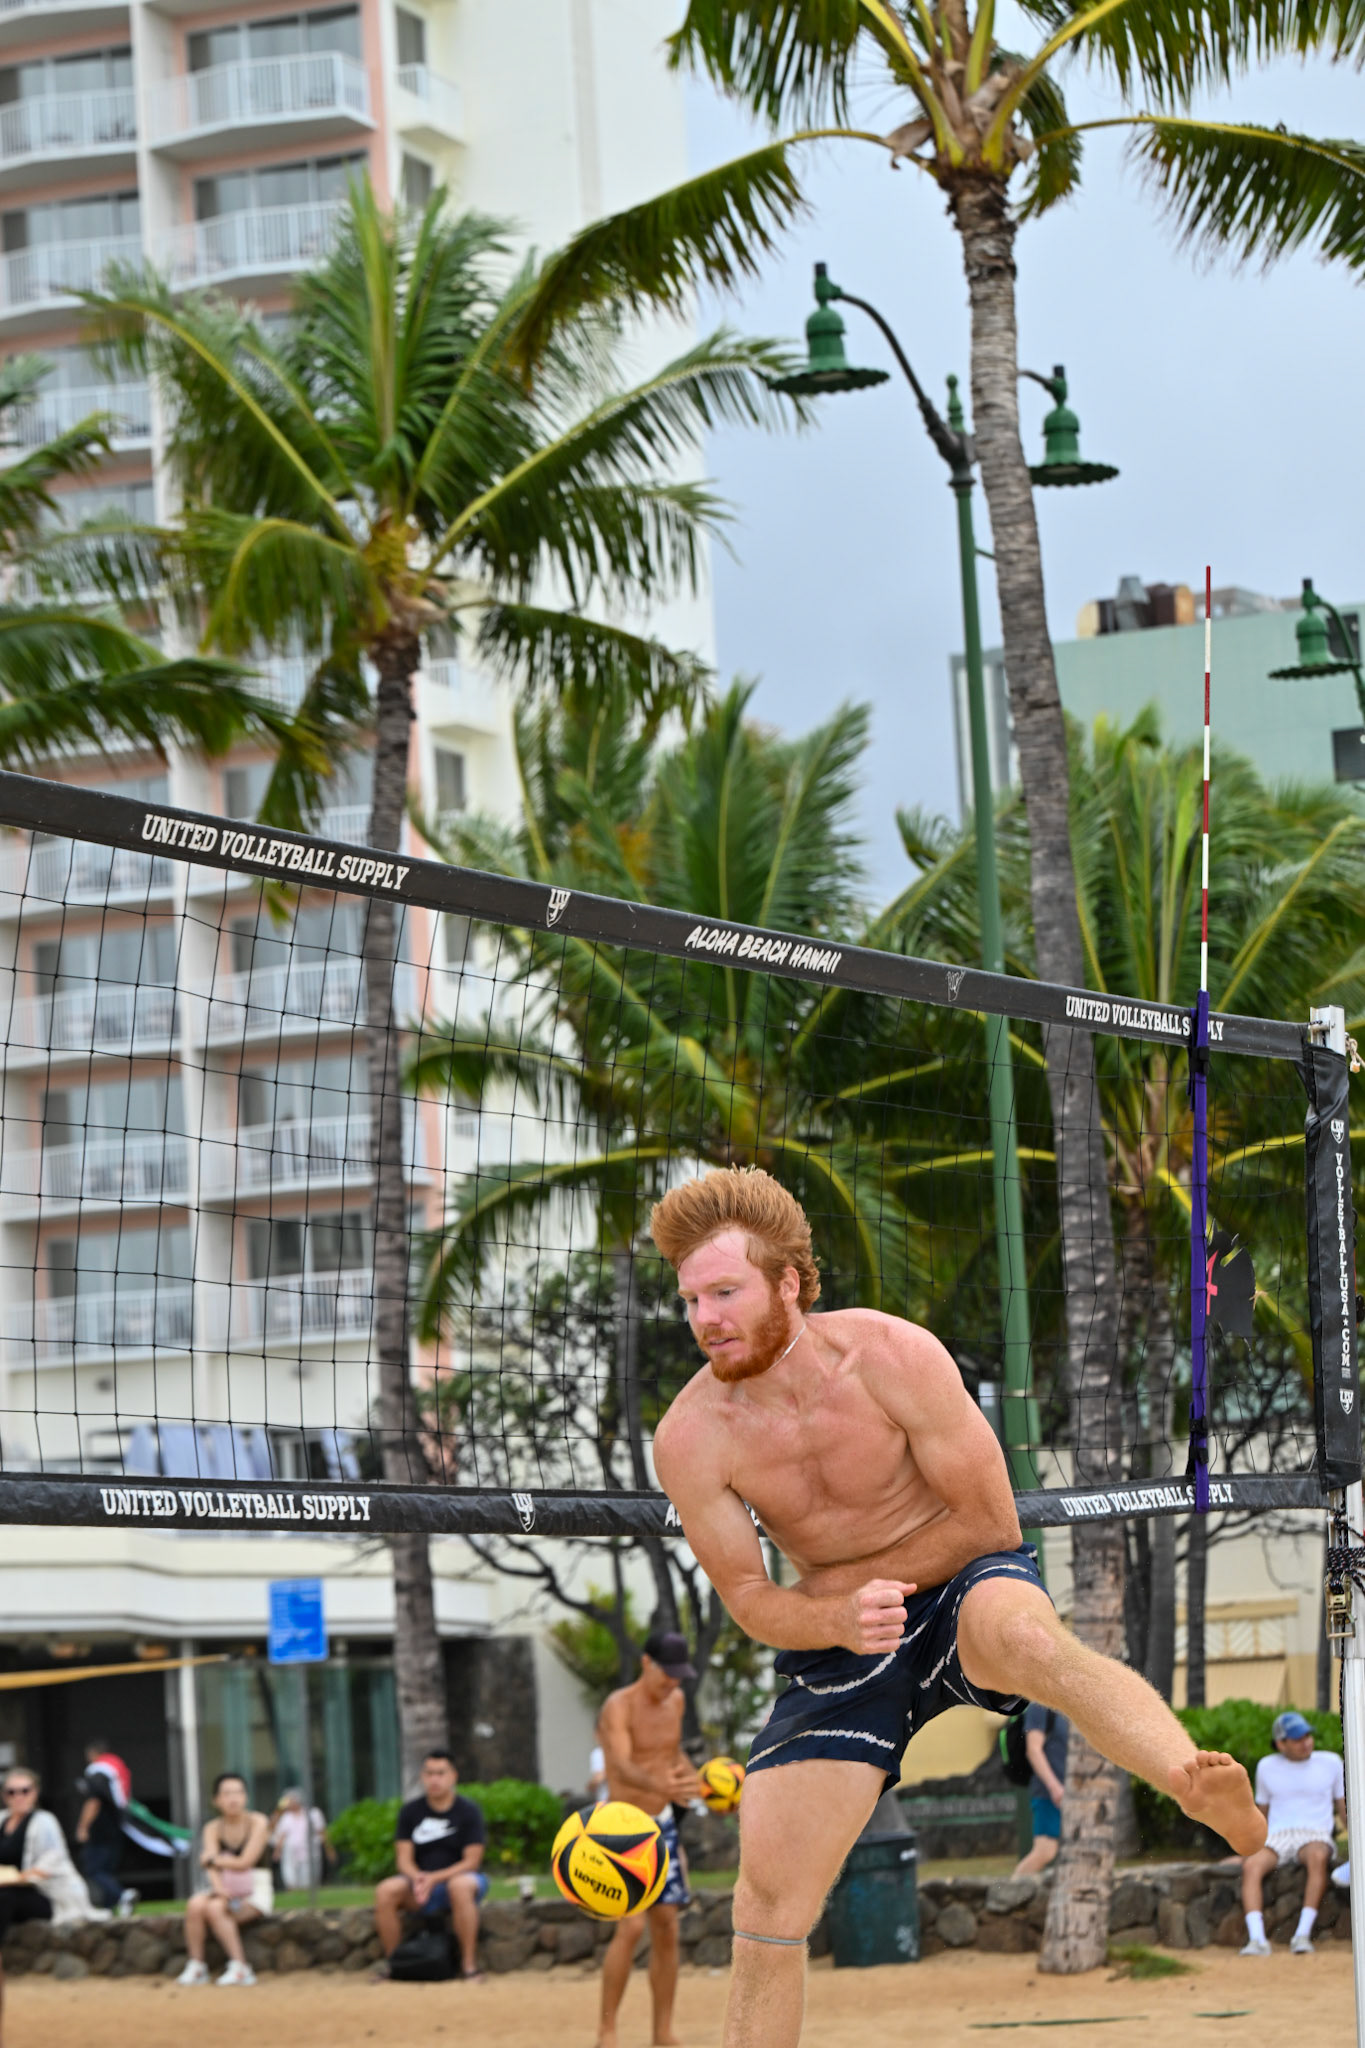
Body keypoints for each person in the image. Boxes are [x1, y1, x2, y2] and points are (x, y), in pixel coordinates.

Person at [648, 1167, 1267, 2048]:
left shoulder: (892, 1355)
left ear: (787, 1281)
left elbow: (988, 1520)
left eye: (724, 1291)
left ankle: (1190, 1781)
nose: (704, 1317)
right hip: (837, 1641)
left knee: (1026, 1638)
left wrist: (872, 1590)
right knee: (765, 1909)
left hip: (957, 1572)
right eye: (690, 1299)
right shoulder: (690, 1436)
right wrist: (832, 1619)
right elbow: (749, 1597)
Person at [596, 1631, 702, 2048]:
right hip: (621, 1826)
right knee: (631, 1926)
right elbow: (620, 1767)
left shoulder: (675, 1701)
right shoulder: (617, 1707)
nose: (673, 1684)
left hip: (662, 1825)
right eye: (666, 1674)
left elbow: (670, 1755)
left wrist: (698, 1782)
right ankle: (607, 2031)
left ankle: (662, 2032)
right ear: (645, 1663)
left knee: (667, 1928)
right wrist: (660, 1782)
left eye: (679, 1677)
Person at [373, 1749, 487, 1982]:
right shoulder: (410, 1812)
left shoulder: (469, 1811)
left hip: (460, 1879)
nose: (434, 1779)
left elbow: (472, 1862)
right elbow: (403, 1858)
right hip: (419, 1882)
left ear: (453, 1776)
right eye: (429, 1773)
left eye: (440, 1773)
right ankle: (395, 1964)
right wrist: (418, 1877)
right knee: (385, 1891)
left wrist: (435, 1878)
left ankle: (468, 1966)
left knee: (460, 1886)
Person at [1240, 1710, 1347, 1956]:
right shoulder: (1266, 1766)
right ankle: (1257, 1940)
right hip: (1276, 1835)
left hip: (1315, 1833)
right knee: (1251, 1867)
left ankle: (1302, 1935)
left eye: (1308, 1735)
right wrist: (1247, 1849)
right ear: (1281, 1743)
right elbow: (1261, 1814)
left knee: (1318, 1857)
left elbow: (1343, 1809)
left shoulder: (1331, 1762)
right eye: (1298, 1738)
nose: (1306, 1742)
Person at [176, 1772, 272, 1986]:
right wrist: (220, 1889)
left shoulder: (258, 1822)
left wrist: (214, 1860)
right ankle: (197, 1965)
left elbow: (245, 1861)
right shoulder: (212, 1828)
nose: (233, 1798)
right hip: (224, 1888)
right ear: (216, 1800)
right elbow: (210, 1867)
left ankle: (240, 1966)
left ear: (246, 1797)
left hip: (254, 1889)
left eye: (238, 1792)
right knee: (195, 1905)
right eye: (227, 1793)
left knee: (215, 1909)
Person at [0, 1768, 105, 1939]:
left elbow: (51, 1862)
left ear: (35, 1792)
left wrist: (16, 1878)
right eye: (12, 1792)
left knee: (5, 1897)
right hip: (7, 1891)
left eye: (25, 1791)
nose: (19, 1796)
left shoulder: (45, 1821)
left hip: (46, 1894)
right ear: (5, 1795)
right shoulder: (1, 1819)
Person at [74, 1740, 137, 1915]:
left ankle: (122, 1895)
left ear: (93, 1754)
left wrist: (83, 1827)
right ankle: (110, 1908)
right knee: (107, 1870)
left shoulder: (97, 1771)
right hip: (116, 1827)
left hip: (100, 1830)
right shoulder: (117, 1769)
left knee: (93, 1869)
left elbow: (93, 1801)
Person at [1012, 1704, 1069, 1877]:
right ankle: (1006, 1895)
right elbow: (1033, 1750)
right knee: (1045, 1850)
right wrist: (1054, 1787)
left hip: (1071, 1794)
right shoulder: (1039, 1707)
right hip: (1049, 1793)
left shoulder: (1068, 1706)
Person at [270, 1788, 328, 1893]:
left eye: (292, 1800)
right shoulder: (286, 1817)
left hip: (309, 1851)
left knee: (308, 1879)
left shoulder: (313, 1814)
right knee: (290, 1877)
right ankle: (293, 1895)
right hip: (290, 1852)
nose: (290, 1803)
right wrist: (277, 1851)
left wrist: (328, 1849)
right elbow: (279, 1833)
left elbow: (322, 1832)